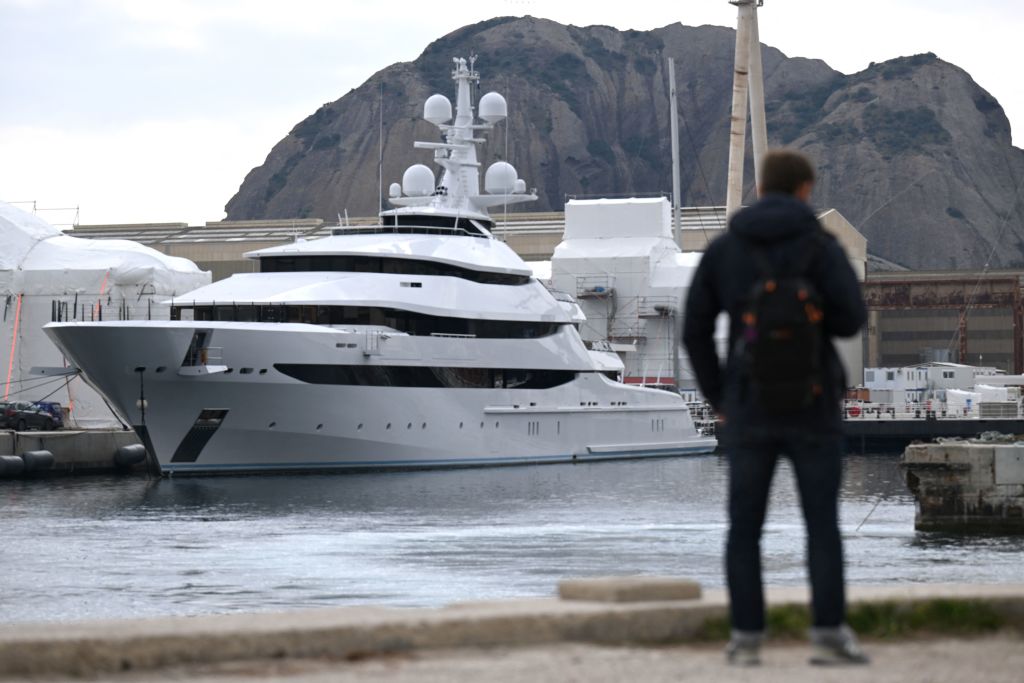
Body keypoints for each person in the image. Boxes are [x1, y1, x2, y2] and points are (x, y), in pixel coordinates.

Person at [682, 149, 869, 666]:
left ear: (761, 189)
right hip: (814, 406)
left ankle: (746, 640)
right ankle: (828, 636)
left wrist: (719, 397)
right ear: (805, 189)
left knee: (744, 529)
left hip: (748, 407)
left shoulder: (727, 249)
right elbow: (852, 320)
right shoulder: (822, 246)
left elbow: (694, 328)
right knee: (821, 526)